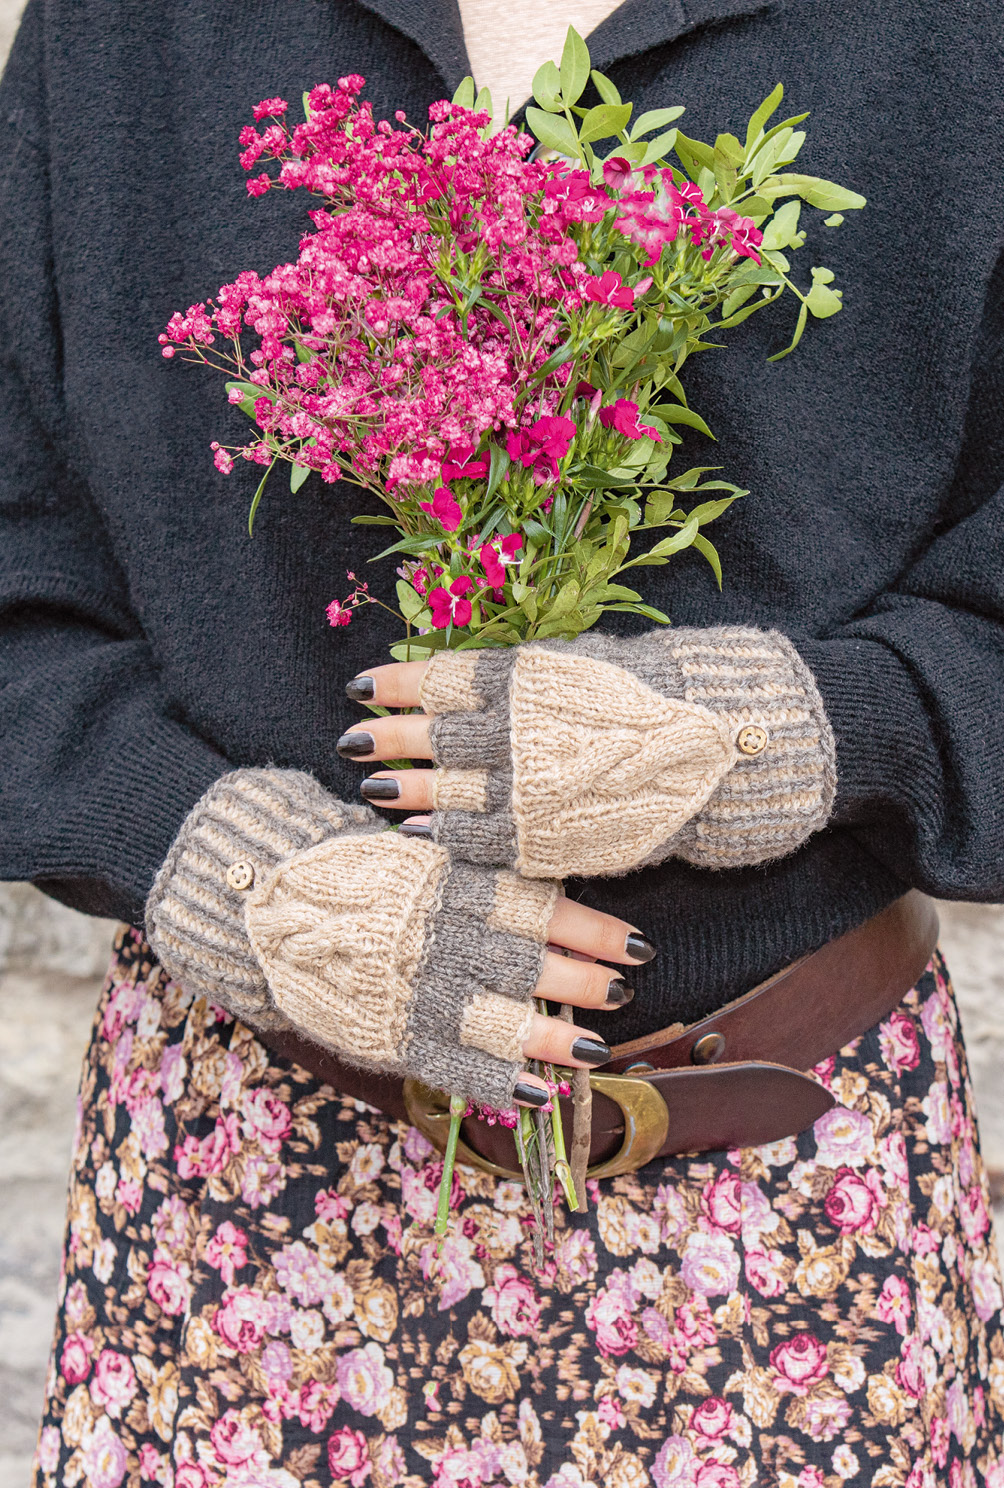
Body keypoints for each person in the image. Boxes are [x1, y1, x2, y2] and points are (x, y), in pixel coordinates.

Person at [3, 0, 1003, 1482]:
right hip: (252, 1222)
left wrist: (801, 730)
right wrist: (224, 868)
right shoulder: (122, 34)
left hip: (793, 1224)